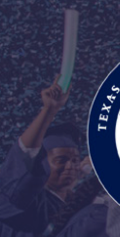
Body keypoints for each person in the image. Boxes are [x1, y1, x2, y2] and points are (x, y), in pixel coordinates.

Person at [0, 80, 84, 237]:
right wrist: (49, 110)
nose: (70, 167)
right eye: (61, 160)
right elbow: (25, 155)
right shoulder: (28, 202)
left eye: (74, 160)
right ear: (41, 166)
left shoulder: (80, 204)